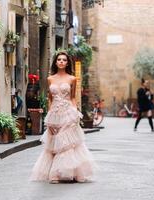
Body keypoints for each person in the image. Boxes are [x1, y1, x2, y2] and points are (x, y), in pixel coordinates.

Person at [30, 51, 95, 184]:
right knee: (54, 143)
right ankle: (54, 173)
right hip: (55, 113)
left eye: (64, 60)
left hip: (68, 112)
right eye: (59, 59)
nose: (61, 62)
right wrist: (49, 116)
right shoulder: (50, 79)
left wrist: (76, 113)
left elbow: (72, 97)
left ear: (67, 63)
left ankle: (73, 173)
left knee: (68, 143)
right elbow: (50, 98)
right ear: (55, 62)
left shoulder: (72, 78)